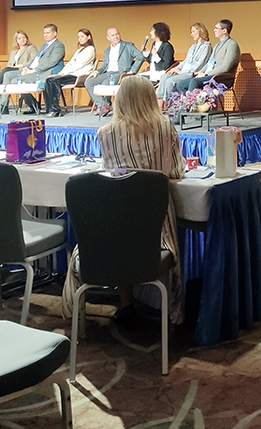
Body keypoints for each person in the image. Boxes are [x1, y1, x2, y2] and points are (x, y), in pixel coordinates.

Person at [60, 75, 186, 327]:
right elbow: (175, 171)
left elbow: (111, 175)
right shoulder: (165, 126)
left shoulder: (105, 133)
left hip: (114, 223)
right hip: (156, 226)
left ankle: (126, 303)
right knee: (146, 233)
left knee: (119, 234)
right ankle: (170, 310)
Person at [84, 28, 144, 117]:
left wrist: (132, 71)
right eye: (113, 35)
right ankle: (103, 105)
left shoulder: (128, 46)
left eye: (117, 34)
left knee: (105, 83)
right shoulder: (107, 51)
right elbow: (104, 66)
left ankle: (105, 106)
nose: (116, 37)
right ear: (108, 38)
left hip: (120, 72)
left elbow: (140, 57)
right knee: (89, 82)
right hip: (108, 73)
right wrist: (97, 71)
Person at [9, 23, 66, 115]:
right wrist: (26, 68)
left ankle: (35, 106)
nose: (45, 35)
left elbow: (52, 62)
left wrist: (35, 70)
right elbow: (36, 59)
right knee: (15, 81)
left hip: (48, 72)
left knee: (18, 81)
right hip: (37, 71)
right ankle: (33, 104)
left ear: (55, 33)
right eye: (44, 33)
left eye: (48, 33)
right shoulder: (44, 46)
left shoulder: (59, 45)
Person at [40, 28, 96, 117]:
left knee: (53, 81)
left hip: (79, 75)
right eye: (79, 37)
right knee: (49, 79)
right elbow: (70, 63)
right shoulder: (80, 50)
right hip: (70, 73)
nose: (80, 39)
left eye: (82, 37)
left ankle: (55, 110)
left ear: (88, 37)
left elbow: (80, 64)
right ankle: (49, 109)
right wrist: (62, 72)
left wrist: (66, 73)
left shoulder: (90, 49)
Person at [173, 19, 239, 93]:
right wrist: (199, 73)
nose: (214, 30)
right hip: (209, 74)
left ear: (224, 31)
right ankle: (194, 99)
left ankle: (194, 100)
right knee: (181, 85)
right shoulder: (217, 45)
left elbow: (225, 67)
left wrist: (206, 74)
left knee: (194, 82)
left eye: (216, 28)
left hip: (220, 77)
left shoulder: (232, 45)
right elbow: (209, 63)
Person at [156, 22, 212, 100]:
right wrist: (176, 69)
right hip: (183, 71)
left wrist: (181, 72)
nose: (191, 34)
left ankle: (167, 104)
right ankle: (159, 101)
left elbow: (200, 65)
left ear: (200, 31)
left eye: (193, 31)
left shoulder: (206, 47)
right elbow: (185, 61)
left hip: (192, 73)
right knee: (164, 77)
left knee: (170, 81)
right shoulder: (193, 46)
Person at [0, 31, 39, 114]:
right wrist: (13, 67)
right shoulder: (14, 52)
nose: (22, 40)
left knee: (6, 74)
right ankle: (33, 104)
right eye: (19, 38)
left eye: (24, 38)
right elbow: (10, 64)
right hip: (13, 71)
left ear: (27, 39)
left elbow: (34, 60)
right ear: (16, 40)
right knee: (8, 79)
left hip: (25, 71)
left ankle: (1, 104)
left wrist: (22, 65)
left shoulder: (31, 48)